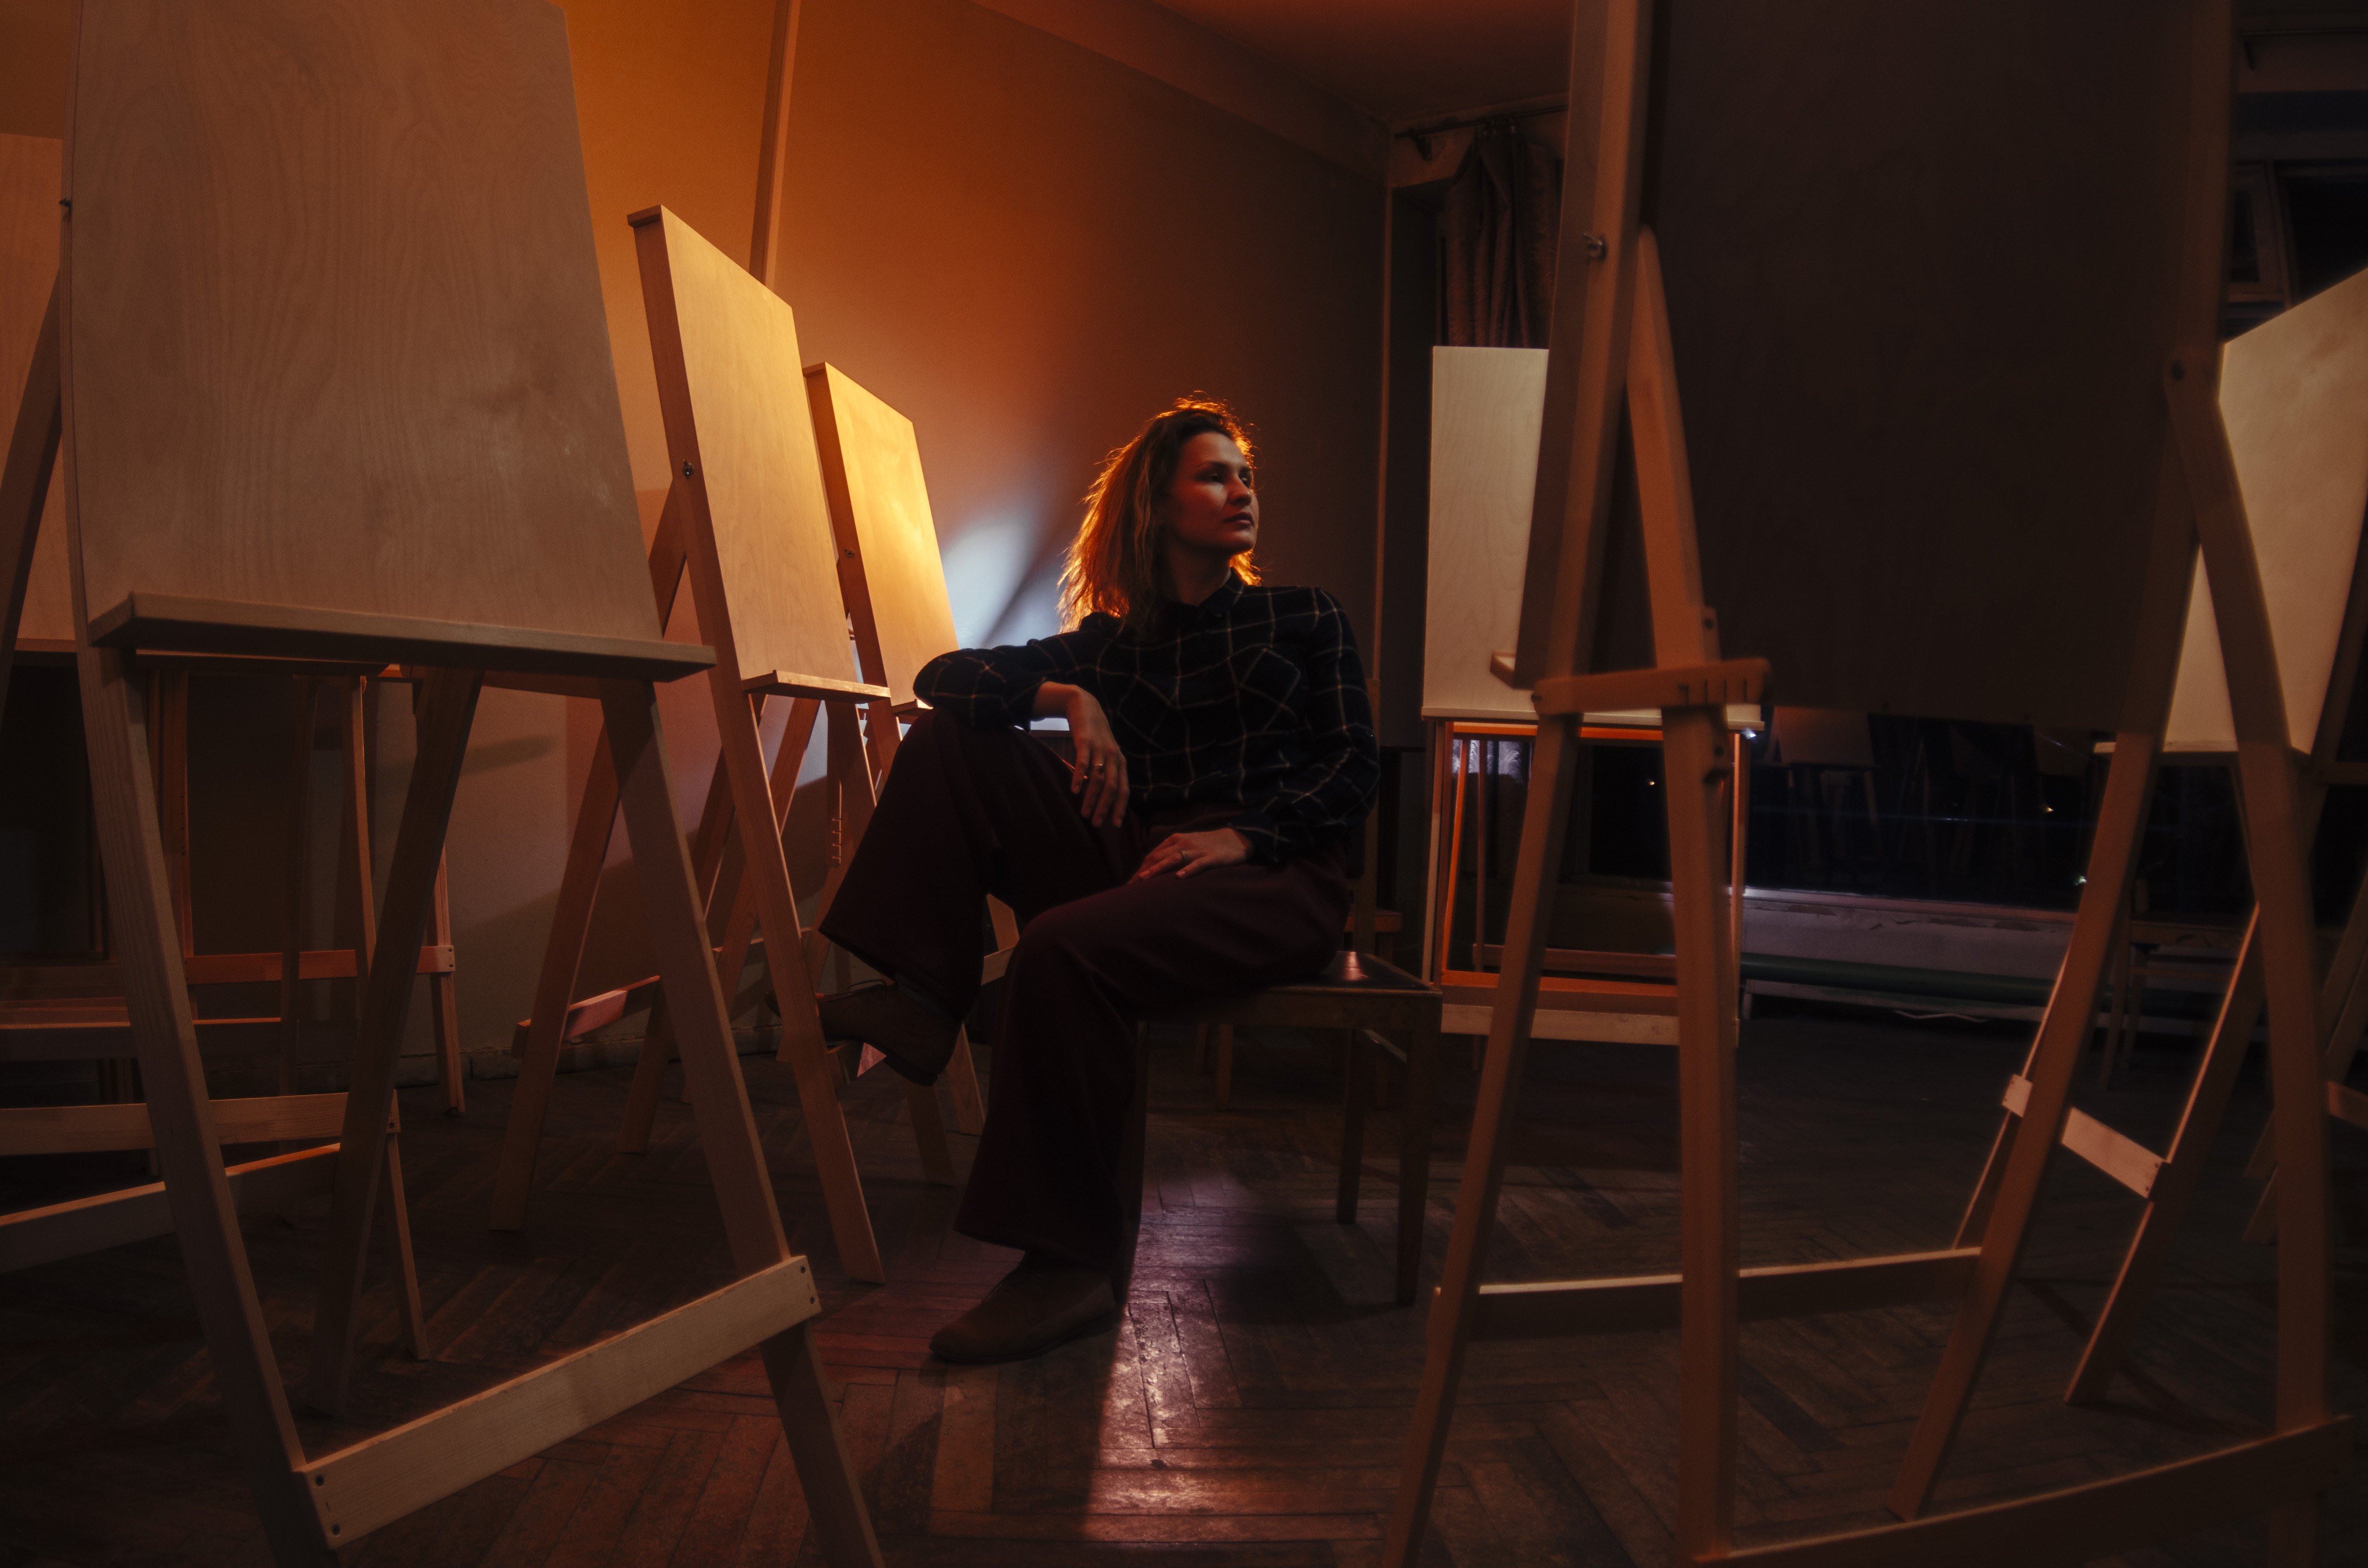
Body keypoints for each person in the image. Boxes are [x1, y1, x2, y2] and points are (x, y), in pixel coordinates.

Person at [816, 394, 1380, 1363]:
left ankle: (1066, 1265)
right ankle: (925, 998)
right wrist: (1069, 696)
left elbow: (1354, 768)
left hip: (1276, 873)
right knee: (950, 739)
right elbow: (942, 676)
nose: (1242, 490)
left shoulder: (1302, 617)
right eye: (1215, 475)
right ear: (1157, 505)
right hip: (1149, 855)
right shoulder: (1113, 645)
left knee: (1060, 949)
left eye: (1246, 475)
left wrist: (1245, 836)